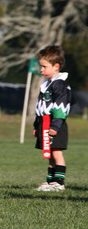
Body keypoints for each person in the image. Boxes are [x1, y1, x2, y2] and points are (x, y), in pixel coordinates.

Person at [34, 46, 73, 192]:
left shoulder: (60, 84)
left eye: (44, 67)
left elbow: (61, 108)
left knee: (56, 153)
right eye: (41, 66)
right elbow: (41, 107)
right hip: (44, 123)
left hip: (55, 125)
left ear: (56, 67)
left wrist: (56, 126)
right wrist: (35, 126)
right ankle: (50, 181)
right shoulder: (46, 85)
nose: (41, 70)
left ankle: (59, 182)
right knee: (49, 153)